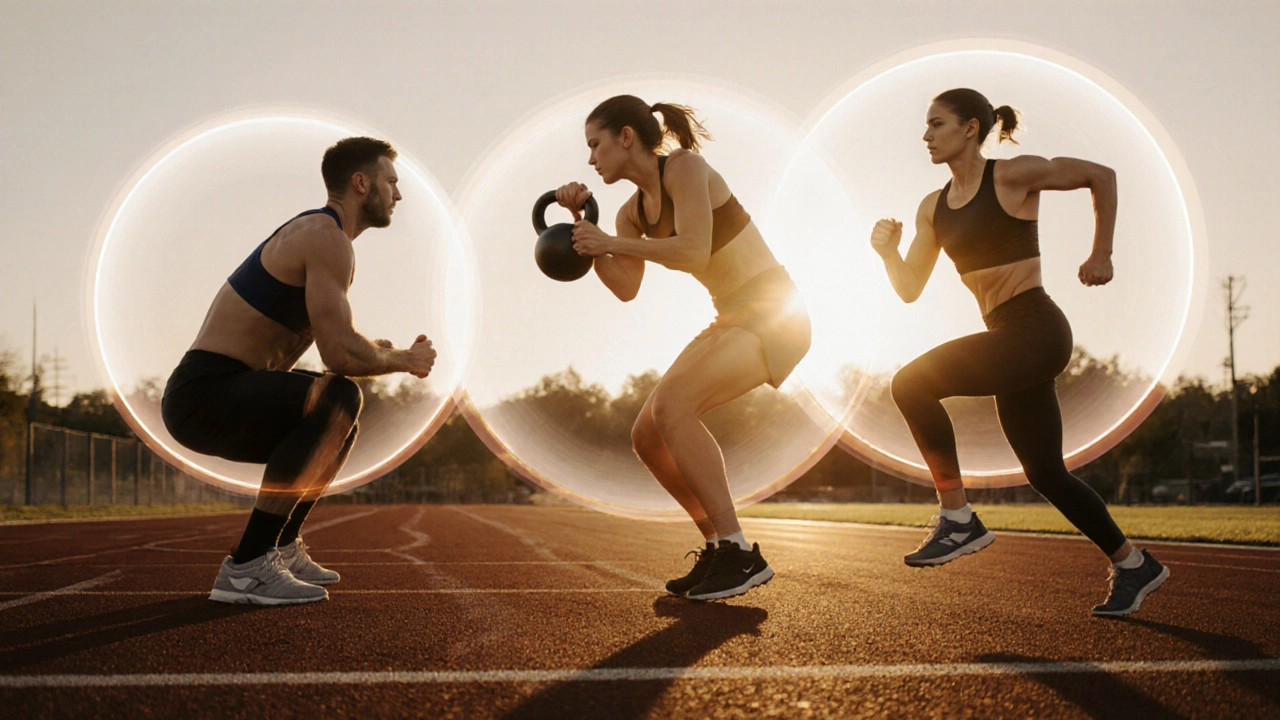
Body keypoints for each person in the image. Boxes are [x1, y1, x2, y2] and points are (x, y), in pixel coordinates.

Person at [869, 88, 1168, 617]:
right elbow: (910, 287)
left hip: (1036, 328)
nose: (926, 135)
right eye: (926, 126)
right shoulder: (932, 208)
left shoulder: (1010, 176)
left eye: (936, 124)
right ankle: (1133, 565)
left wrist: (1102, 253)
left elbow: (1102, 175)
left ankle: (957, 519)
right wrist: (889, 253)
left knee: (910, 383)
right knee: (1046, 473)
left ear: (969, 129)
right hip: (1009, 339)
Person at [555, 95, 810, 601]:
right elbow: (626, 287)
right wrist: (586, 229)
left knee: (675, 406)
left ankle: (739, 552)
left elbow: (692, 247)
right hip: (731, 316)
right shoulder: (629, 214)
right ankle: (718, 547)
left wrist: (610, 242)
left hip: (775, 311)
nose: (590, 160)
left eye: (595, 145)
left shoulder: (686, 169)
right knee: (646, 434)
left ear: (626, 137)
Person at [162, 137, 436, 605]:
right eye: (391, 182)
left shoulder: (327, 240)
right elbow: (341, 356)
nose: (399, 194)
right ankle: (247, 565)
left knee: (337, 416)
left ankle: (282, 546)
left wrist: (378, 350)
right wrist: (404, 361)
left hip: (224, 391)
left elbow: (340, 342)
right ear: (360, 183)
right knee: (339, 396)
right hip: (202, 393)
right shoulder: (324, 236)